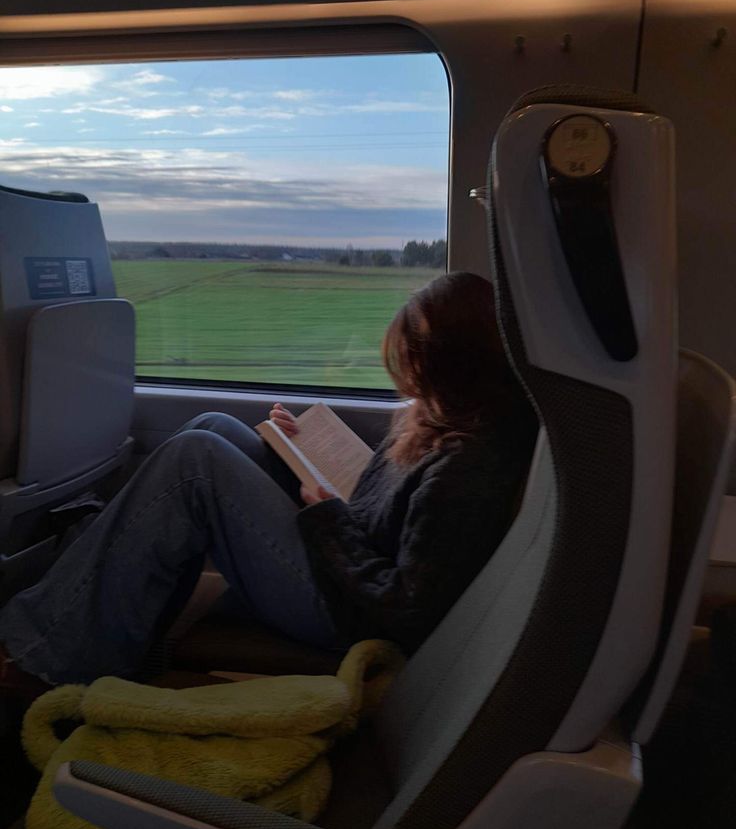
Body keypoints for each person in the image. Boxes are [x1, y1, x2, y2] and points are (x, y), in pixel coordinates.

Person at [0, 271, 537, 693]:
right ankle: (101, 629)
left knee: (196, 460)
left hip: (344, 615)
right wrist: (293, 452)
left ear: (452, 367)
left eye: (416, 363)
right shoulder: (444, 417)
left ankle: (48, 657)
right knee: (213, 428)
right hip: (341, 564)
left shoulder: (467, 469)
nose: (407, 379)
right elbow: (378, 512)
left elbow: (404, 610)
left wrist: (325, 515)